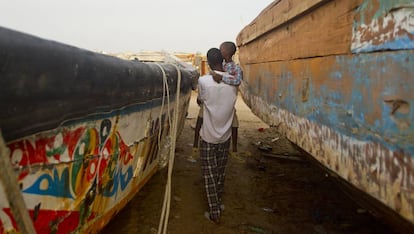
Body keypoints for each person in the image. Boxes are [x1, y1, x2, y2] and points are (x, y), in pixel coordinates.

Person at [198, 48, 237, 224]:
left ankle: (214, 211)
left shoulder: (203, 81)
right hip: (225, 136)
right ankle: (218, 203)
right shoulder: (234, 82)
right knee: (220, 173)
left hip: (208, 136)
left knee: (209, 175)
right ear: (222, 60)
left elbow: (201, 100)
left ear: (207, 60)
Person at [192, 42, 243, 158]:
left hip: (223, 102)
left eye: (221, 49)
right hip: (219, 99)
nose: (220, 51)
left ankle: (233, 148)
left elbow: (237, 81)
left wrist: (222, 78)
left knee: (232, 123)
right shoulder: (224, 66)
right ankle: (196, 144)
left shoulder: (235, 69)